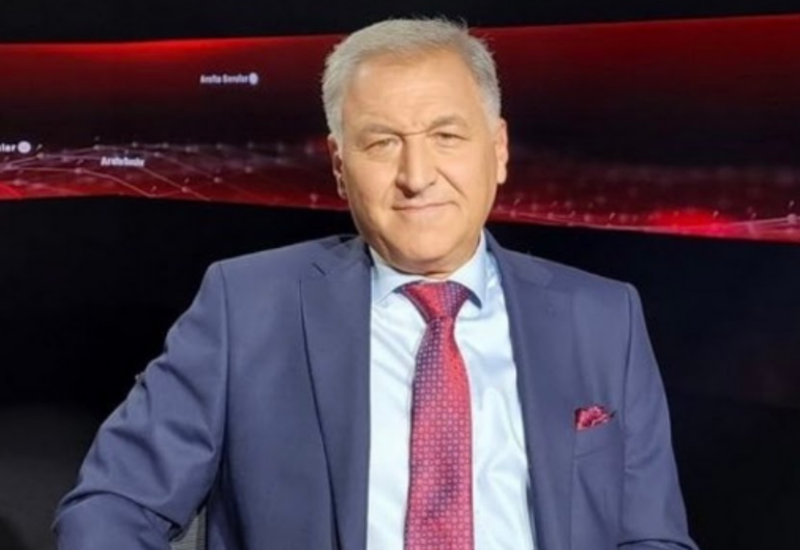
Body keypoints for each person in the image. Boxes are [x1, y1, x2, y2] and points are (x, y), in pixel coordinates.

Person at [54, 18, 698, 550]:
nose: (417, 175)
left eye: (446, 136)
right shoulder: (245, 305)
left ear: (498, 149)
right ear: (340, 168)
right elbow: (112, 506)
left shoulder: (604, 318)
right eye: (382, 143)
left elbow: (651, 537)